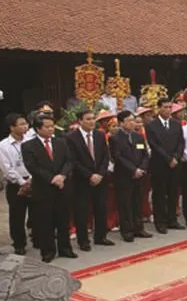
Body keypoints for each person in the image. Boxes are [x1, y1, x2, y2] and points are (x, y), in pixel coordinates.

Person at [21, 114, 75, 262]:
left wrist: (62, 176)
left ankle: (65, 248)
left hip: (62, 187)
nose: (51, 129)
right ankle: (48, 251)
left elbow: (68, 161)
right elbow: (32, 167)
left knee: (63, 220)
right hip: (43, 189)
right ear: (38, 128)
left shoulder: (61, 142)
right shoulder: (28, 146)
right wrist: (52, 179)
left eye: (52, 126)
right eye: (47, 127)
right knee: (46, 222)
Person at [66, 110, 113, 250]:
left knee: (101, 208)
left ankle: (101, 236)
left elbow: (105, 156)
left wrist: (100, 173)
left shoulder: (99, 135)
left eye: (93, 118)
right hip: (82, 180)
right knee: (82, 211)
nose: (92, 121)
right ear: (80, 121)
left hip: (100, 178)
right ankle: (83, 240)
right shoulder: (71, 137)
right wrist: (89, 175)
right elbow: (73, 160)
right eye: (88, 119)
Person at [109, 110, 152, 243]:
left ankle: (139, 228)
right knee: (125, 204)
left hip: (139, 175)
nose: (132, 123)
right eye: (129, 121)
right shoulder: (115, 138)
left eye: (133, 120)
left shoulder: (138, 136)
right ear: (121, 123)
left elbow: (145, 154)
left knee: (137, 202)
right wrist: (133, 169)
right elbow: (118, 157)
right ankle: (127, 231)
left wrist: (142, 168)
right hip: (124, 176)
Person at [145, 98, 185, 232]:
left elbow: (181, 143)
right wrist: (168, 159)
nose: (168, 110)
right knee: (160, 194)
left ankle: (172, 219)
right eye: (165, 107)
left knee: (173, 193)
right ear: (159, 108)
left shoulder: (176, 124)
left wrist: (176, 157)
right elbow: (154, 145)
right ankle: (160, 222)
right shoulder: (151, 125)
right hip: (160, 164)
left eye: (170, 107)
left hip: (175, 163)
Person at [0, 113, 32, 255]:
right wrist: (22, 182)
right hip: (15, 183)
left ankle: (38, 238)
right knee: (17, 215)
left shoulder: (31, 140)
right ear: (12, 127)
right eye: (21, 124)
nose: (25, 126)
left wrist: (31, 179)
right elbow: (7, 168)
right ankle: (19, 243)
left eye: (25, 123)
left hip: (33, 179)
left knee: (37, 212)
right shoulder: (3, 146)